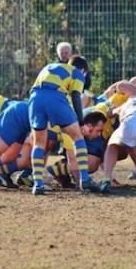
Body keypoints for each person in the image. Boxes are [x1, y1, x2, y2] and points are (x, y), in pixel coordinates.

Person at [29, 56, 99, 195]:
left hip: (35, 97)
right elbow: (75, 96)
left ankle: (38, 184)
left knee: (39, 144)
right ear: (83, 70)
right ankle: (85, 179)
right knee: (78, 137)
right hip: (55, 97)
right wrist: (81, 121)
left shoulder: (51, 66)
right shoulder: (77, 73)